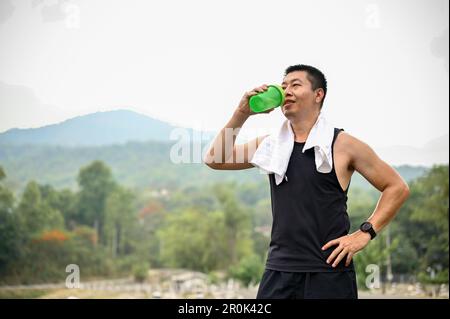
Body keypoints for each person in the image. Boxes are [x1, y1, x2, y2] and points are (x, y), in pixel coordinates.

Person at [203, 64, 410, 299]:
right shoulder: (270, 145)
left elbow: (397, 187)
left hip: (330, 272)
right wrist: (242, 113)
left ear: (318, 94)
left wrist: (364, 233)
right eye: (283, 86)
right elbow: (215, 159)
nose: (286, 91)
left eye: (295, 85)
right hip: (279, 271)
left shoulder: (343, 145)